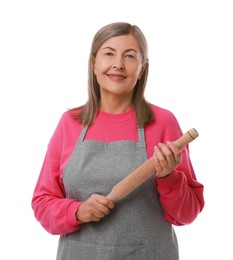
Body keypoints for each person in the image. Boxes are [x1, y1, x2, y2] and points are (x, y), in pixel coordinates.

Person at [31, 22, 204, 260]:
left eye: (130, 56)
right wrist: (77, 211)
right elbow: (42, 203)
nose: (118, 64)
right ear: (94, 64)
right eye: (109, 53)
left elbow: (187, 214)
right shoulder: (69, 123)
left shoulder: (163, 122)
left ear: (142, 68)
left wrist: (169, 178)